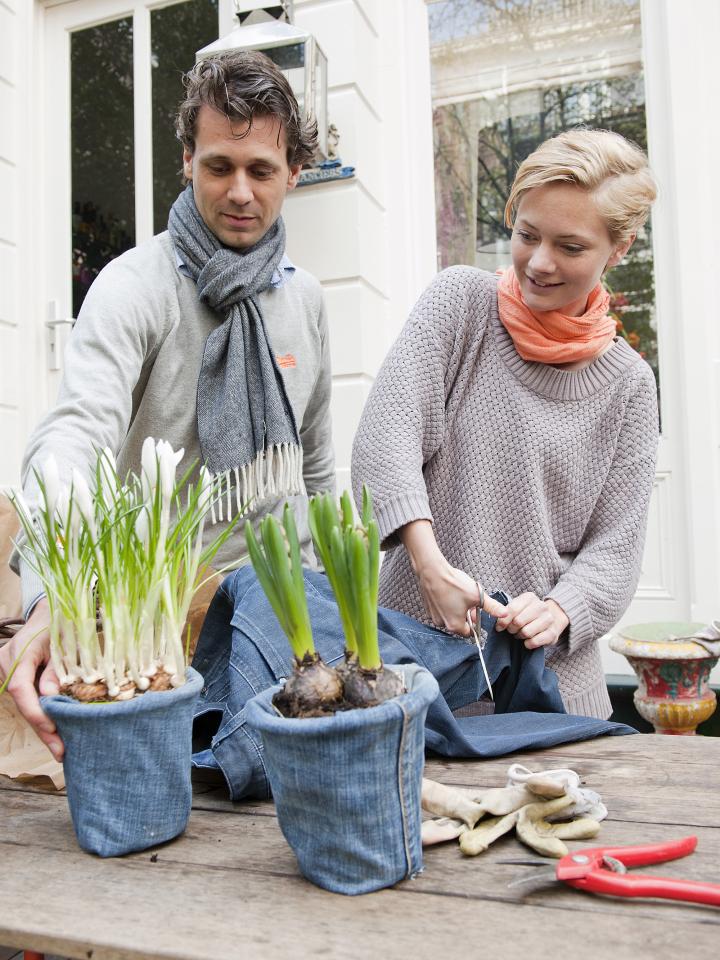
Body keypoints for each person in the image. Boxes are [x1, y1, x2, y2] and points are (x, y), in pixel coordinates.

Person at [1, 50, 335, 760]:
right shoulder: (134, 286)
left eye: (262, 170)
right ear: (187, 161)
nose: (240, 191)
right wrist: (43, 599)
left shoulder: (304, 300)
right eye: (219, 166)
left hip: (281, 618)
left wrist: (330, 609)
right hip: (158, 627)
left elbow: (316, 468)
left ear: (295, 176)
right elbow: (75, 435)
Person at [351, 129, 658, 720]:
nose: (538, 263)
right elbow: (383, 441)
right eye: (526, 235)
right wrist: (428, 566)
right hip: (412, 675)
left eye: (570, 247)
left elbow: (616, 549)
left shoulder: (629, 385)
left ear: (618, 249)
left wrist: (563, 609)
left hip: (554, 697)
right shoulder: (460, 305)